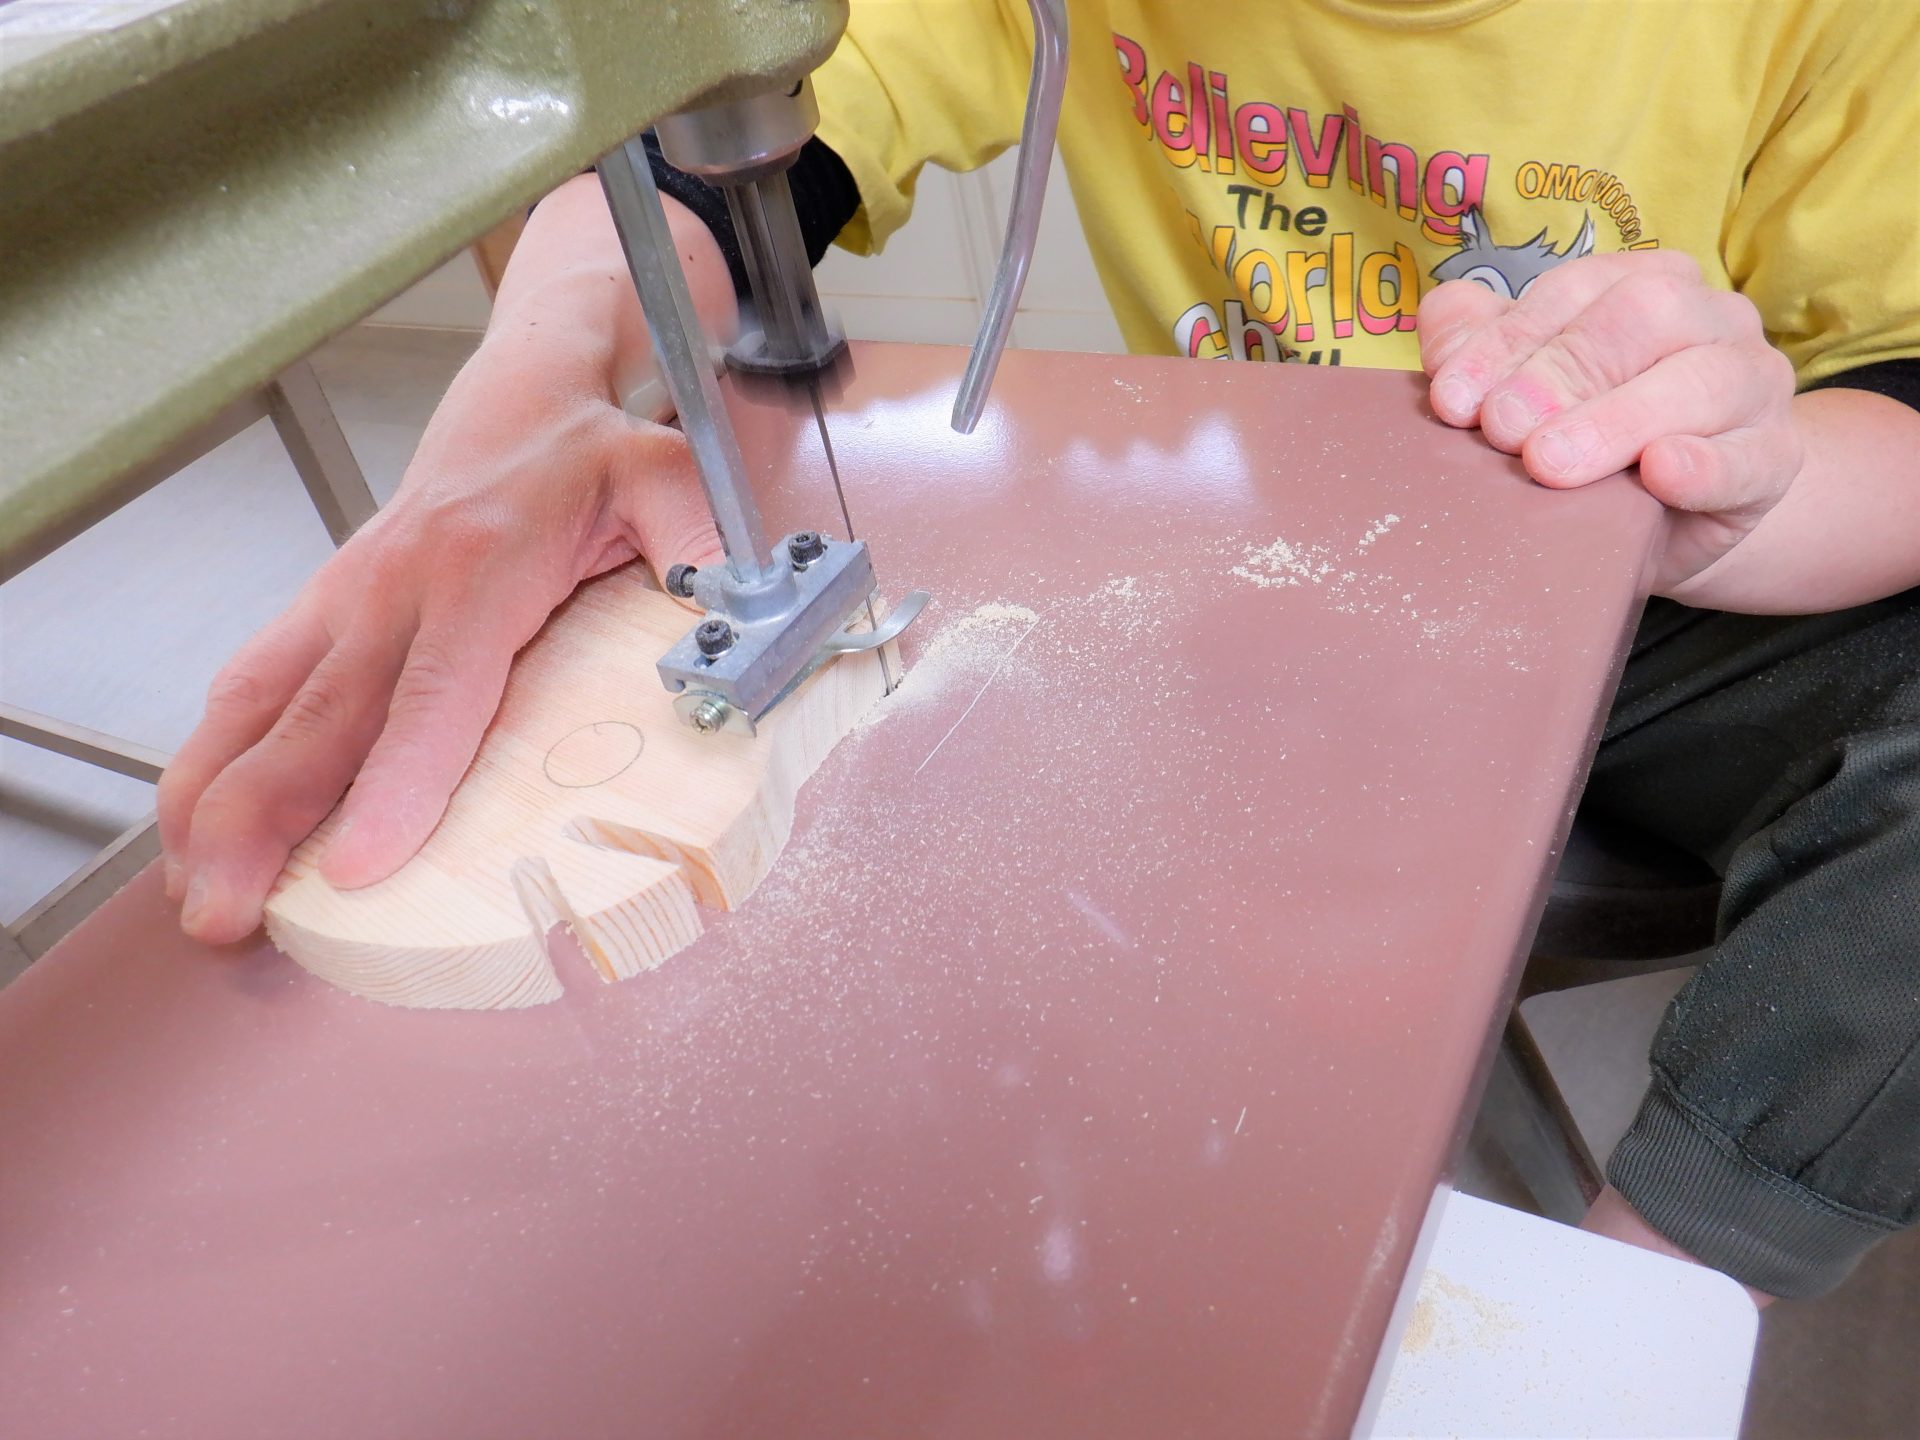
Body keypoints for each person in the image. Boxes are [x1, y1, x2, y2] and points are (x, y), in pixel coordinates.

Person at [157, 1, 1920, 1303]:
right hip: (1264, 580)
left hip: (1672, 619)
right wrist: (533, 380)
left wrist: (1737, 505)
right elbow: (709, 168)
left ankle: (1650, 1289)